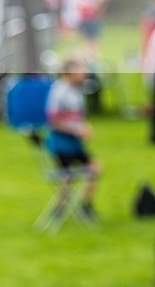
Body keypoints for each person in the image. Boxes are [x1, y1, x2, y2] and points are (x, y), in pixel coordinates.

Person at [44, 57, 100, 219]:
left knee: (92, 169)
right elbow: (53, 120)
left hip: (74, 144)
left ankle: (80, 206)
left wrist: (83, 127)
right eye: (81, 69)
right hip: (62, 144)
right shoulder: (59, 92)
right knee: (70, 176)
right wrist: (76, 130)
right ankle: (67, 208)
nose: (85, 73)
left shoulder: (76, 90)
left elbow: (75, 117)